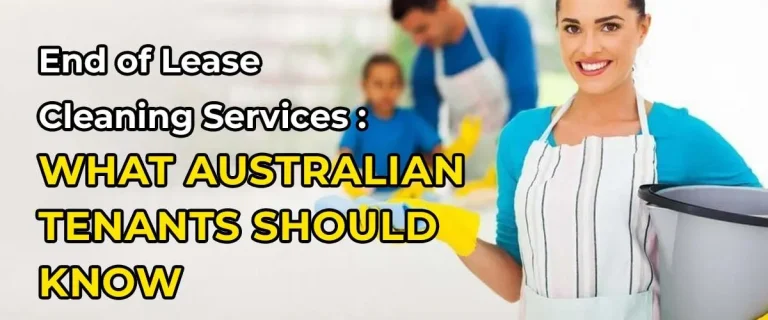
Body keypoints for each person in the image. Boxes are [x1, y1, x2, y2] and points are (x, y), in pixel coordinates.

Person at [341, 0, 763, 318]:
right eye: (573, 28)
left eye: (609, 26)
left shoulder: (682, 137)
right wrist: (455, 233)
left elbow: (756, 238)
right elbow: (512, 283)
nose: (588, 47)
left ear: (643, 28)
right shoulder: (523, 139)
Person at [390, 0, 539, 182]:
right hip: (466, 176)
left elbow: (524, 96)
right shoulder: (424, 66)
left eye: (422, 29)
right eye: (412, 34)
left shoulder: (507, 23)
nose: (418, 41)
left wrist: (510, 160)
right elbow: (427, 136)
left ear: (442, 4)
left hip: (518, 161)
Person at [338, 53, 481, 201]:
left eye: (393, 84)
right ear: (365, 86)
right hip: (369, 194)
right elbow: (344, 152)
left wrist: (462, 145)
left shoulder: (411, 119)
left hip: (408, 193)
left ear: (401, 87)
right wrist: (352, 182)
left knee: (436, 204)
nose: (386, 92)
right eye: (378, 84)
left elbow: (437, 150)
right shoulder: (358, 118)